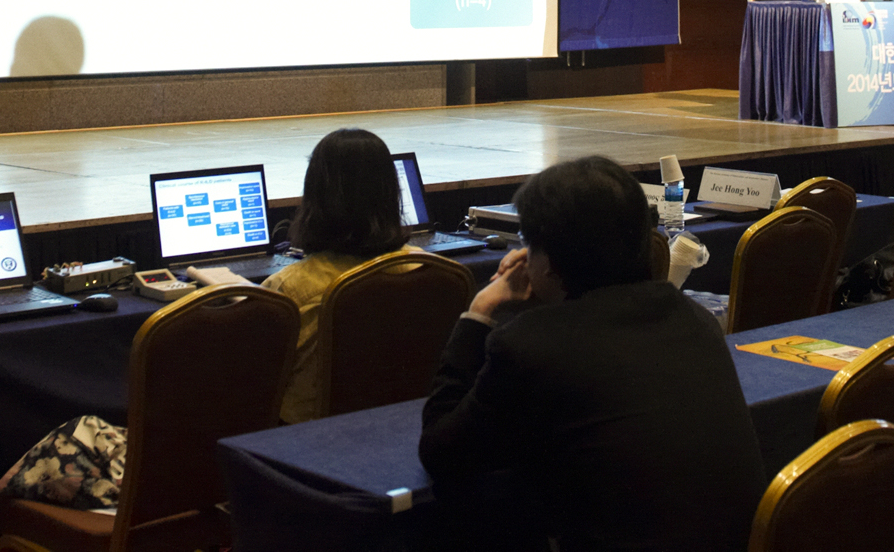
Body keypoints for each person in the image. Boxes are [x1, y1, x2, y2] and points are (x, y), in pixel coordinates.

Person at [419, 155, 764, 552]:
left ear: (548, 263)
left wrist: (479, 312)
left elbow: (441, 452)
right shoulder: (695, 319)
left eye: (528, 244)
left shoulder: (531, 346)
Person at [260, 127, 408, 423]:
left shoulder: (289, 288)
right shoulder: (427, 268)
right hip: (401, 424)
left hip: (303, 435)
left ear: (315, 196)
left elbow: (256, 374)